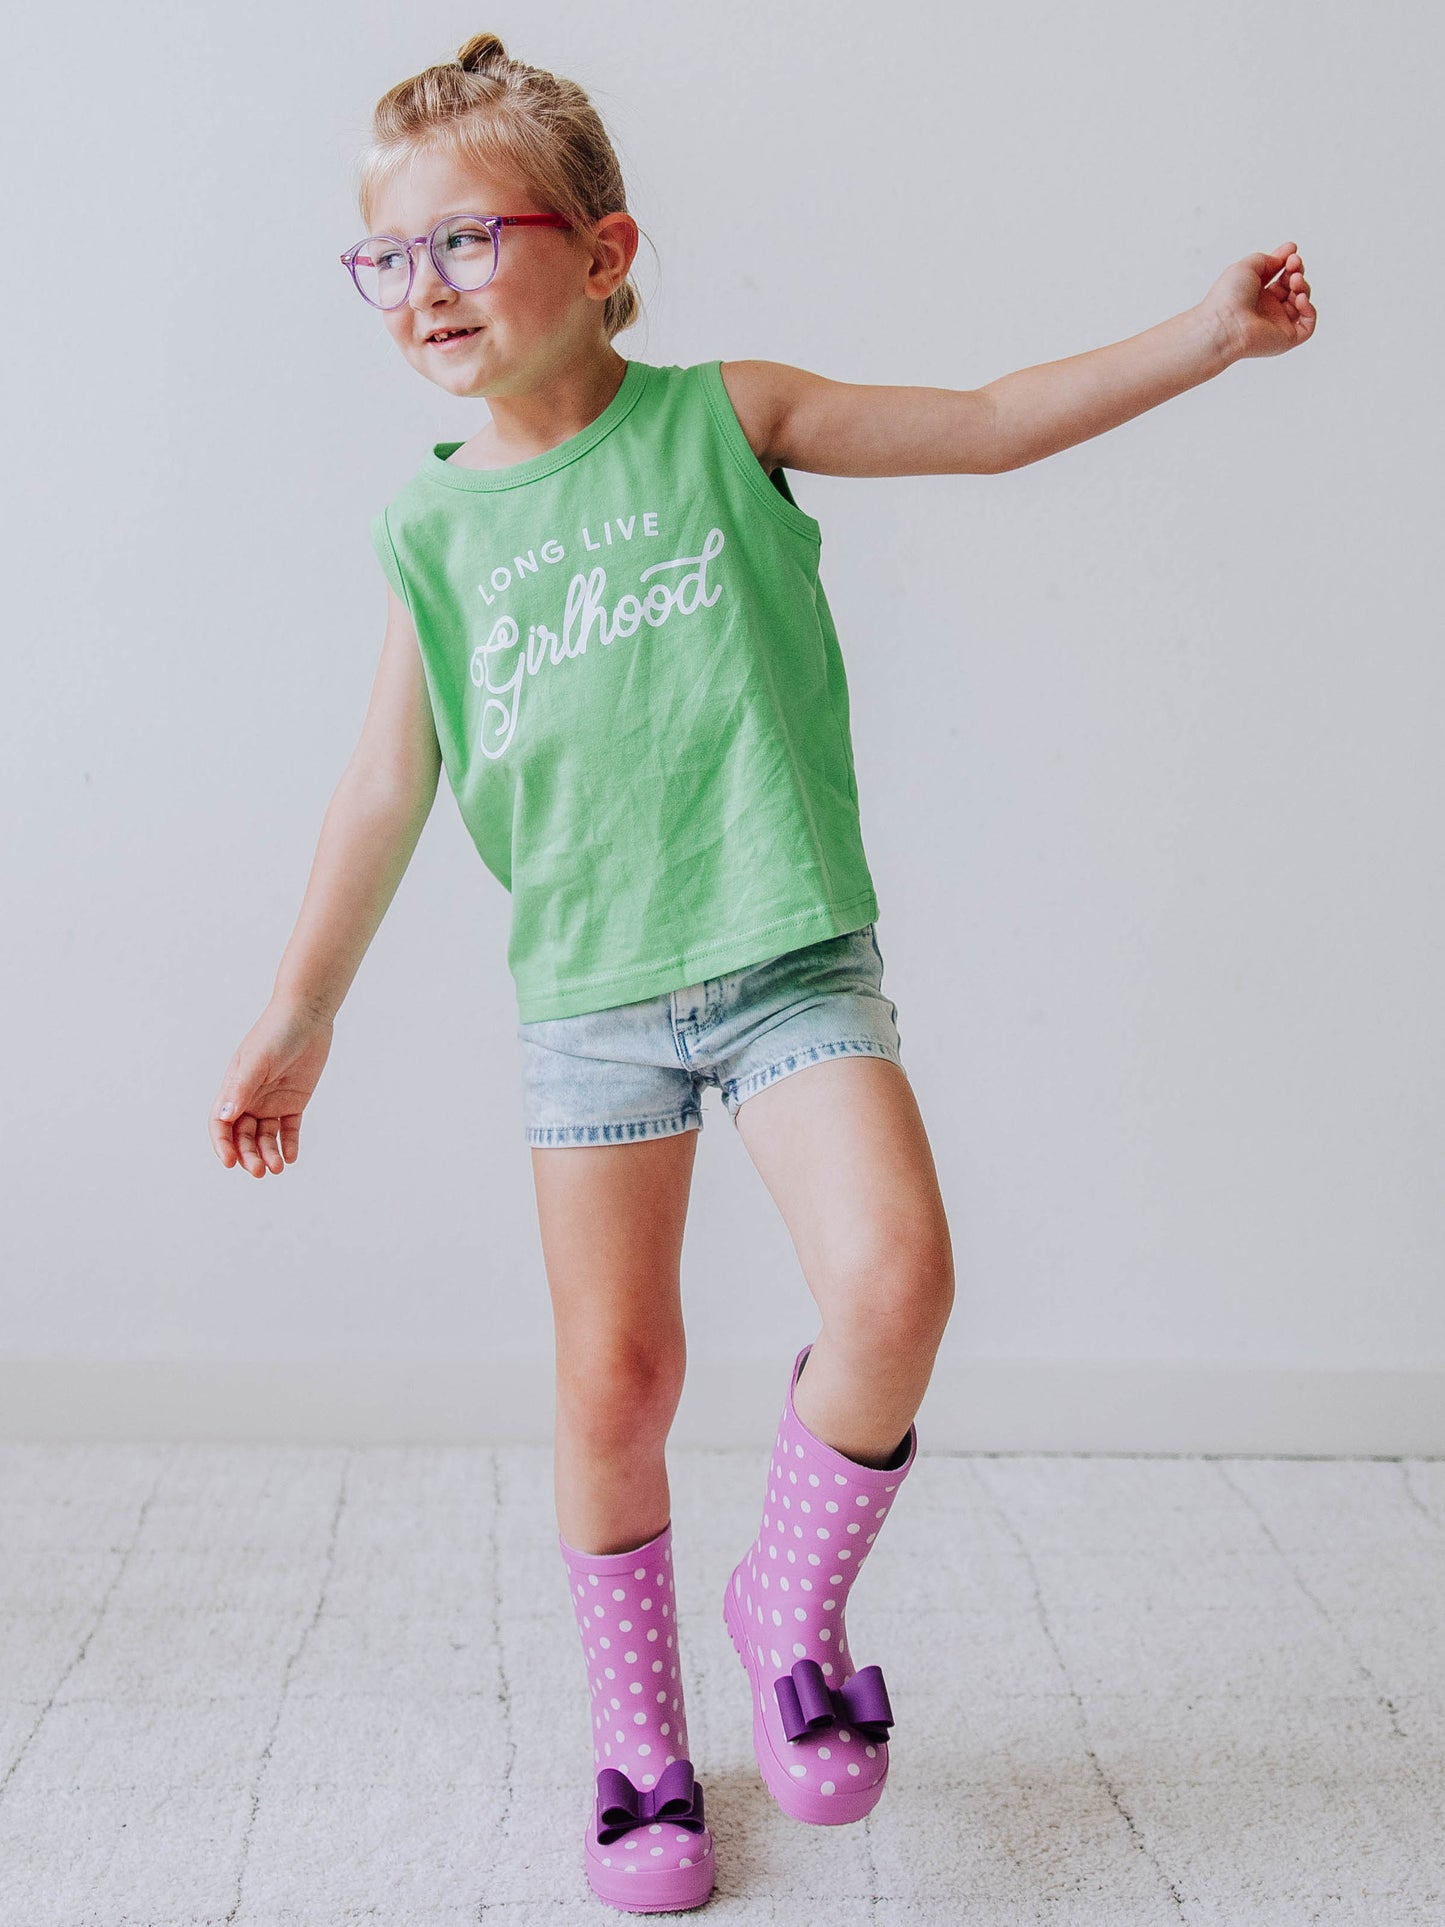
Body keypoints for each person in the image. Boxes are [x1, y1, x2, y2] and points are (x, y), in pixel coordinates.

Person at [207, 29, 1315, 1914]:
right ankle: (640, 1750)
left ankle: (785, 1602)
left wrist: (1199, 336)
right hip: (592, 1004)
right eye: (386, 257)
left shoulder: (728, 417)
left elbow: (981, 418)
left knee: (895, 1277)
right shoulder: (428, 525)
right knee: (614, 1379)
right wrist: (301, 1010)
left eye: (469, 240)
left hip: (789, 958)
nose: (426, 289)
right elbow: (387, 780)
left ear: (605, 248)